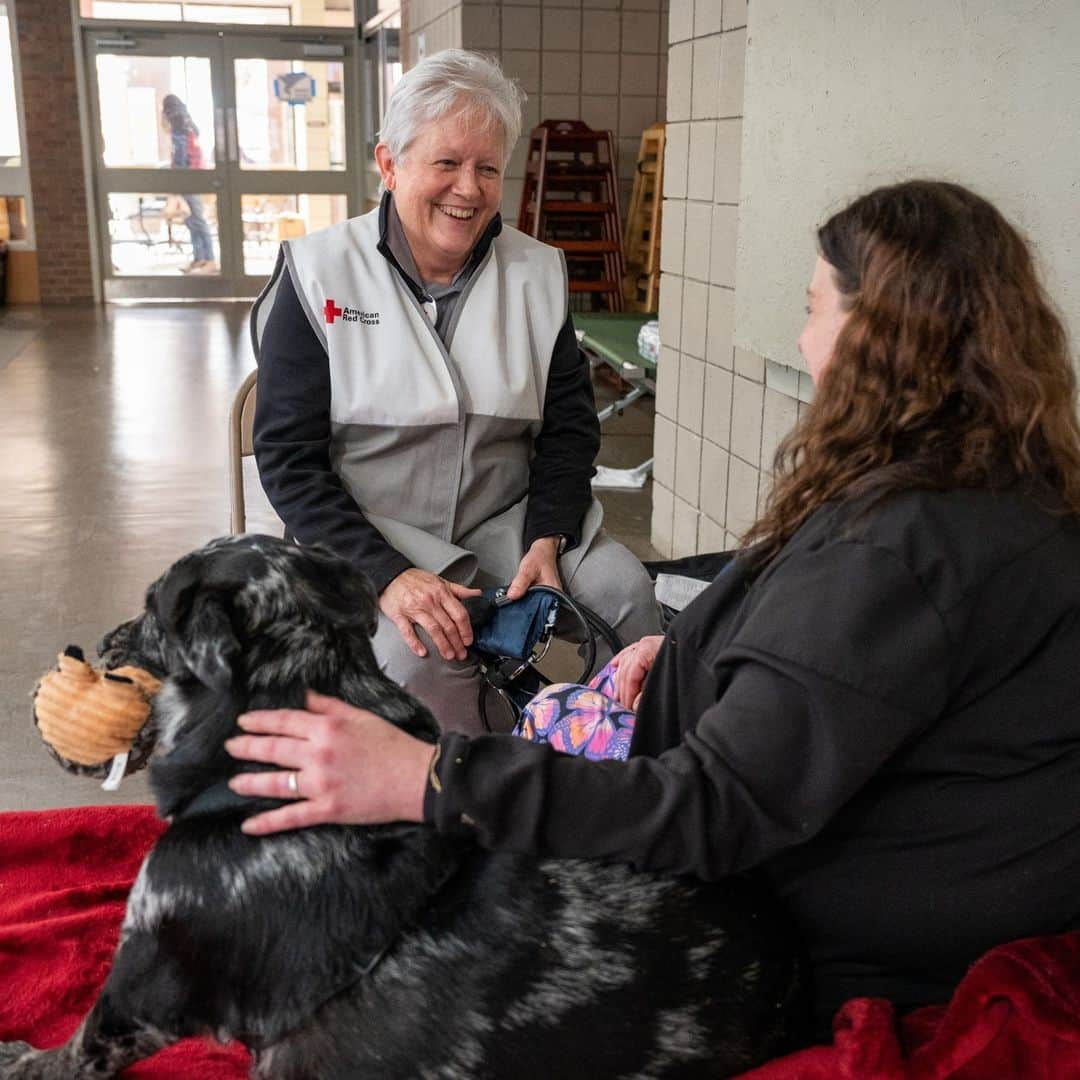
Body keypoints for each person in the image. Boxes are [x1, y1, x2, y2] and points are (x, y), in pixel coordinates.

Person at [229, 178, 1080, 1038]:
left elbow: (714, 807)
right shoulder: (987, 482)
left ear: (878, 337)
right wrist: (681, 656)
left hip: (800, 925)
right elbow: (835, 668)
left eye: (812, 305)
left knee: (375, 992)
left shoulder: (898, 550)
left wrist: (430, 776)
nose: (799, 334)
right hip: (391, 540)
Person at [251, 49, 660, 736]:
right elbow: (288, 460)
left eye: (487, 167)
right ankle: (472, 809)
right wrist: (387, 575)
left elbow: (569, 431)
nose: (467, 189)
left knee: (624, 594)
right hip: (371, 535)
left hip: (506, 524)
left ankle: (631, 772)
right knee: (423, 662)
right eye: (446, 163)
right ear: (389, 164)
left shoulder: (537, 275)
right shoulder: (319, 272)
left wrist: (546, 536)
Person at [161, 94, 216, 274]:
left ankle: (208, 259)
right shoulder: (189, 126)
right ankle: (200, 259)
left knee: (197, 221)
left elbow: (181, 158)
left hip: (188, 180)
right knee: (192, 220)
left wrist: (175, 182)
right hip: (194, 178)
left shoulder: (179, 128)